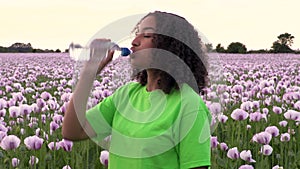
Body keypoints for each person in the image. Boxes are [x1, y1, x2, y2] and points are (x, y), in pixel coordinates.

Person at [62, 11, 211, 169]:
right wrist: (88, 73)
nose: (134, 42)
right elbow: (72, 132)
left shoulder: (189, 105)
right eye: (136, 34)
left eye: (146, 35)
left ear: (170, 45)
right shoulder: (125, 95)